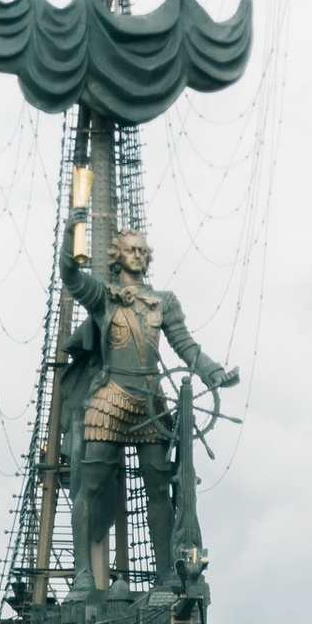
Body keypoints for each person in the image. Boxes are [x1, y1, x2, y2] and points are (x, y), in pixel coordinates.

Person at [60, 224, 238, 589]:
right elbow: (70, 275)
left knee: (159, 489)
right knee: (90, 487)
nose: (138, 255)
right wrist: (72, 231)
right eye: (131, 250)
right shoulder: (103, 295)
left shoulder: (164, 301)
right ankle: (82, 575)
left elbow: (185, 346)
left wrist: (213, 373)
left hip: (151, 401)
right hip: (110, 398)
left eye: (143, 250)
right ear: (117, 255)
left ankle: (166, 575)